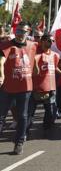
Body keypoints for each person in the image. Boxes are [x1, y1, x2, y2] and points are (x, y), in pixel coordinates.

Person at [0, 22, 37, 155]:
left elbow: (35, 58)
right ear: (15, 31)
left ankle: (19, 142)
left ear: (28, 33)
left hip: (25, 87)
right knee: (1, 116)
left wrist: (36, 68)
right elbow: (1, 61)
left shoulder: (33, 45)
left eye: (24, 31)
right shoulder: (6, 45)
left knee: (22, 116)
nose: (21, 34)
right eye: (19, 31)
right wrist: (2, 74)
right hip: (7, 88)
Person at [28, 34, 61, 135]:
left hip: (50, 87)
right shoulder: (35, 54)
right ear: (43, 41)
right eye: (49, 40)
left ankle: (47, 129)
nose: (51, 43)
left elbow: (55, 67)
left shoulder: (55, 55)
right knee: (30, 112)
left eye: (52, 41)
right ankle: (25, 131)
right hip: (35, 88)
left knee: (50, 112)